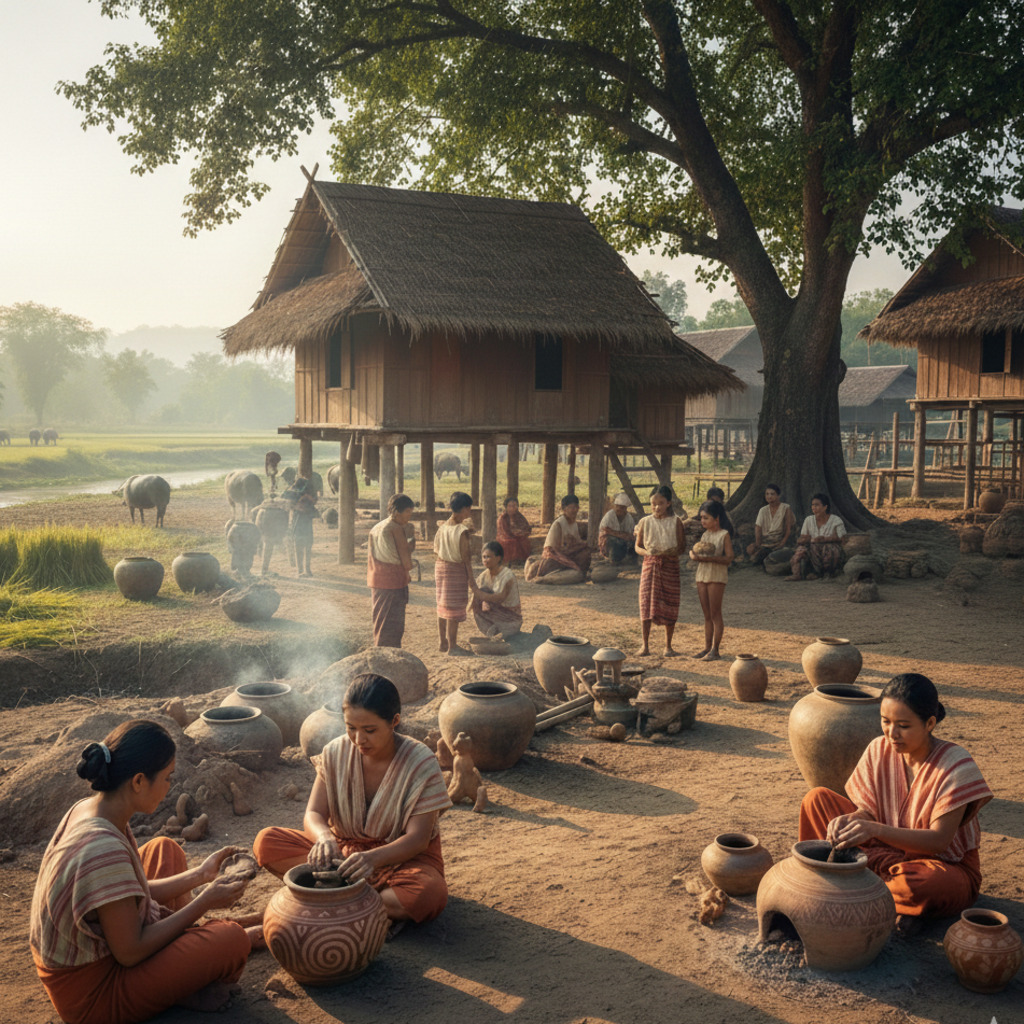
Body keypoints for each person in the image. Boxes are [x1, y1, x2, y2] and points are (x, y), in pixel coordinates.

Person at [29, 721, 257, 1024]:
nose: (169, 787)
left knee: (165, 849)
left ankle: (176, 976)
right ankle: (178, 986)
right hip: (93, 993)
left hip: (106, 950)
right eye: (166, 778)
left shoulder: (90, 808)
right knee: (232, 939)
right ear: (138, 781)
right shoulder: (102, 848)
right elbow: (131, 952)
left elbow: (124, 895)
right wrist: (204, 902)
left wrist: (201, 875)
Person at [253, 674, 452, 935]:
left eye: (370, 730)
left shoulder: (420, 762)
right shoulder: (335, 752)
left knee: (427, 895)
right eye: (351, 728)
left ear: (394, 721)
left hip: (401, 861)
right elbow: (313, 813)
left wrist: (371, 859)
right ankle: (364, 907)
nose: (359, 739)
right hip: (343, 857)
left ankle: (328, 901)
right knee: (267, 841)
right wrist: (324, 838)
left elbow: (417, 840)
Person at [799, 673, 992, 930]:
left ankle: (849, 883)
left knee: (924, 885)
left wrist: (874, 829)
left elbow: (938, 841)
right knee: (817, 800)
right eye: (885, 721)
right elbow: (868, 813)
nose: (892, 733)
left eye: (903, 725)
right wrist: (851, 820)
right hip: (884, 852)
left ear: (930, 723)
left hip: (942, 866)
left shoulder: (955, 764)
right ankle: (883, 895)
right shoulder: (878, 749)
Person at [635, 485, 687, 657]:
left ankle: (668, 646)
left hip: (670, 565)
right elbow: (638, 546)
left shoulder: (676, 522)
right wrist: (647, 553)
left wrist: (670, 553)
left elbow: (681, 547)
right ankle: (645, 645)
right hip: (650, 565)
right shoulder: (645, 522)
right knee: (646, 603)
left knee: (670, 603)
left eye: (661, 503)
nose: (657, 507)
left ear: (669, 503)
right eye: (653, 504)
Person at [432, 491, 481, 654]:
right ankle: (453, 646)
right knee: (453, 607)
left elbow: (436, 550)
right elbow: (466, 558)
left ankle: (442, 642)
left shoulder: (442, 527)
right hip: (455, 569)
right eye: (469, 509)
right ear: (464, 509)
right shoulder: (461, 530)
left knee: (442, 604)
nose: (470, 513)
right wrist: (471, 581)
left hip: (440, 567)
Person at [367, 493, 416, 647]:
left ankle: (380, 650)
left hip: (377, 578)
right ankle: (388, 656)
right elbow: (406, 562)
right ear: (396, 511)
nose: (409, 516)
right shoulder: (395, 528)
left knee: (381, 620)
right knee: (393, 625)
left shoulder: (376, 527)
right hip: (393, 581)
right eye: (407, 512)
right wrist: (411, 548)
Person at [689, 499, 734, 661]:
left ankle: (716, 649)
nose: (702, 521)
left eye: (706, 518)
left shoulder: (724, 535)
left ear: (717, 519)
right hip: (702, 575)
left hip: (717, 576)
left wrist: (710, 559)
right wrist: (693, 555)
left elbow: (729, 558)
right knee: (706, 614)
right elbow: (698, 552)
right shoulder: (705, 535)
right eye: (701, 518)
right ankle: (707, 647)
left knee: (715, 613)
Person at [528, 494, 592, 578]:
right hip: (555, 553)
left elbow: (577, 541)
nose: (574, 510)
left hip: (569, 552)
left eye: (576, 507)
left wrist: (584, 545)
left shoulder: (574, 524)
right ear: (564, 510)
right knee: (552, 564)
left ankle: (581, 574)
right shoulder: (558, 524)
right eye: (571, 508)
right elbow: (553, 548)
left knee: (585, 554)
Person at [787, 492, 846, 580]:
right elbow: (803, 537)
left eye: (817, 505)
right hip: (812, 548)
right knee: (801, 550)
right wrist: (805, 539)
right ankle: (797, 573)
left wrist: (825, 539)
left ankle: (825, 573)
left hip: (829, 549)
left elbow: (843, 539)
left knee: (829, 549)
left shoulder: (835, 520)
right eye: (812, 505)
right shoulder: (809, 520)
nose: (814, 507)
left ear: (825, 507)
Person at [471, 541, 523, 638]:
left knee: (483, 591)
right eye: (484, 557)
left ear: (498, 558)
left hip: (511, 619)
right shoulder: (483, 576)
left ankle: (504, 630)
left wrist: (480, 594)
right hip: (494, 617)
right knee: (476, 601)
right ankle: (492, 631)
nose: (485, 560)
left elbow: (500, 598)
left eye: (488, 557)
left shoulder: (508, 575)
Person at [746, 484, 795, 566]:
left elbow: (788, 528)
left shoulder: (785, 508)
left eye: (772, 494)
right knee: (751, 551)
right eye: (767, 494)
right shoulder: (763, 510)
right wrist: (758, 544)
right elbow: (758, 528)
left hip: (779, 541)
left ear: (778, 496)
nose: (769, 496)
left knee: (778, 555)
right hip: (766, 543)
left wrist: (782, 542)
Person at [283, 475, 319, 577]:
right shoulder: (294, 493)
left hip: (305, 521)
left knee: (306, 545)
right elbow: (290, 505)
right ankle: (301, 570)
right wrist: (300, 503)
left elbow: (314, 501)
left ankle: (306, 569)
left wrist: (306, 498)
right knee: (300, 545)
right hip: (298, 521)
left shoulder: (306, 493)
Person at [599, 493, 636, 563]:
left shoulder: (629, 518)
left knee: (633, 542)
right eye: (617, 507)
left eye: (622, 507)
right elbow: (606, 530)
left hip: (623, 540)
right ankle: (612, 558)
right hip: (607, 542)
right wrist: (621, 535)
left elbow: (631, 534)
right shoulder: (609, 515)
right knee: (615, 541)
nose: (619, 509)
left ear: (625, 508)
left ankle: (629, 559)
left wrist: (624, 536)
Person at [496, 497, 532, 564]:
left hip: (516, 535)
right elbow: (504, 532)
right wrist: (515, 533)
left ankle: (522, 560)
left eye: (515, 506)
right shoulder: (503, 518)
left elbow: (527, 527)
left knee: (524, 540)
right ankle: (511, 561)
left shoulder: (519, 516)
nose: (512, 508)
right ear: (506, 507)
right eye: (510, 506)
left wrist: (522, 532)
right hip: (505, 537)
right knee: (512, 542)